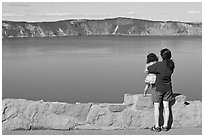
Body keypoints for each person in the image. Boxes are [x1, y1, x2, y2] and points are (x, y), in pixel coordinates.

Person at [147, 48, 175, 132]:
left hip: (158, 88)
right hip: (168, 88)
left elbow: (149, 69)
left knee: (157, 107)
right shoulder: (171, 65)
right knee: (166, 107)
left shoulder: (159, 65)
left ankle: (157, 126)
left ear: (161, 56)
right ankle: (165, 126)